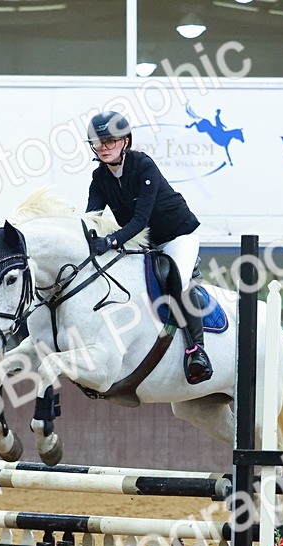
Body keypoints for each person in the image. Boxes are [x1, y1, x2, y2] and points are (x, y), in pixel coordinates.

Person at [84, 110, 213, 385]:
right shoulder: (100, 178)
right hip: (148, 242)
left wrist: (110, 240)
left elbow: (140, 220)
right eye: (98, 142)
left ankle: (196, 351)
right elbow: (91, 217)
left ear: (125, 142)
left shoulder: (143, 165)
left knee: (178, 280)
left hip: (179, 235)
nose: (103, 148)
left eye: (109, 141)